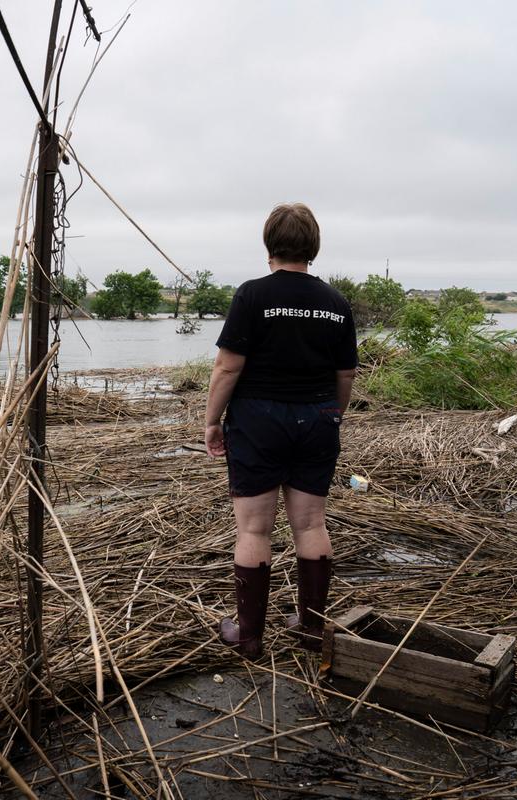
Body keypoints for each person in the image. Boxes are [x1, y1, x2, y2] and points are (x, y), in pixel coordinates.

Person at [204, 203, 358, 659]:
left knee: (254, 530)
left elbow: (228, 366)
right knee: (311, 522)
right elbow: (345, 374)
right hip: (318, 418)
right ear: (313, 246)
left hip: (258, 420)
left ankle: (249, 637)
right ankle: (311, 630)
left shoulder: (252, 295)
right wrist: (333, 415)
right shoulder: (335, 303)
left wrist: (213, 420)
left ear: (269, 244)